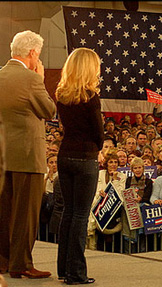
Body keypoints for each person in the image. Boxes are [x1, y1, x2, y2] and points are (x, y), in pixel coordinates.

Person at [0, 30, 56, 279]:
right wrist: (41, 80)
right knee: (27, 213)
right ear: (33, 53)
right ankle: (21, 263)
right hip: (28, 156)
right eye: (38, 55)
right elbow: (48, 110)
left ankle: (3, 261)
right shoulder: (31, 79)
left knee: (4, 212)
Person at [55, 48, 104, 284]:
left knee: (69, 212)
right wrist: (99, 148)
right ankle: (76, 273)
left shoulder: (61, 95)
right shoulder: (91, 97)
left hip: (64, 156)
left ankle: (64, 268)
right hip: (85, 157)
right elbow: (98, 132)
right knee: (81, 216)